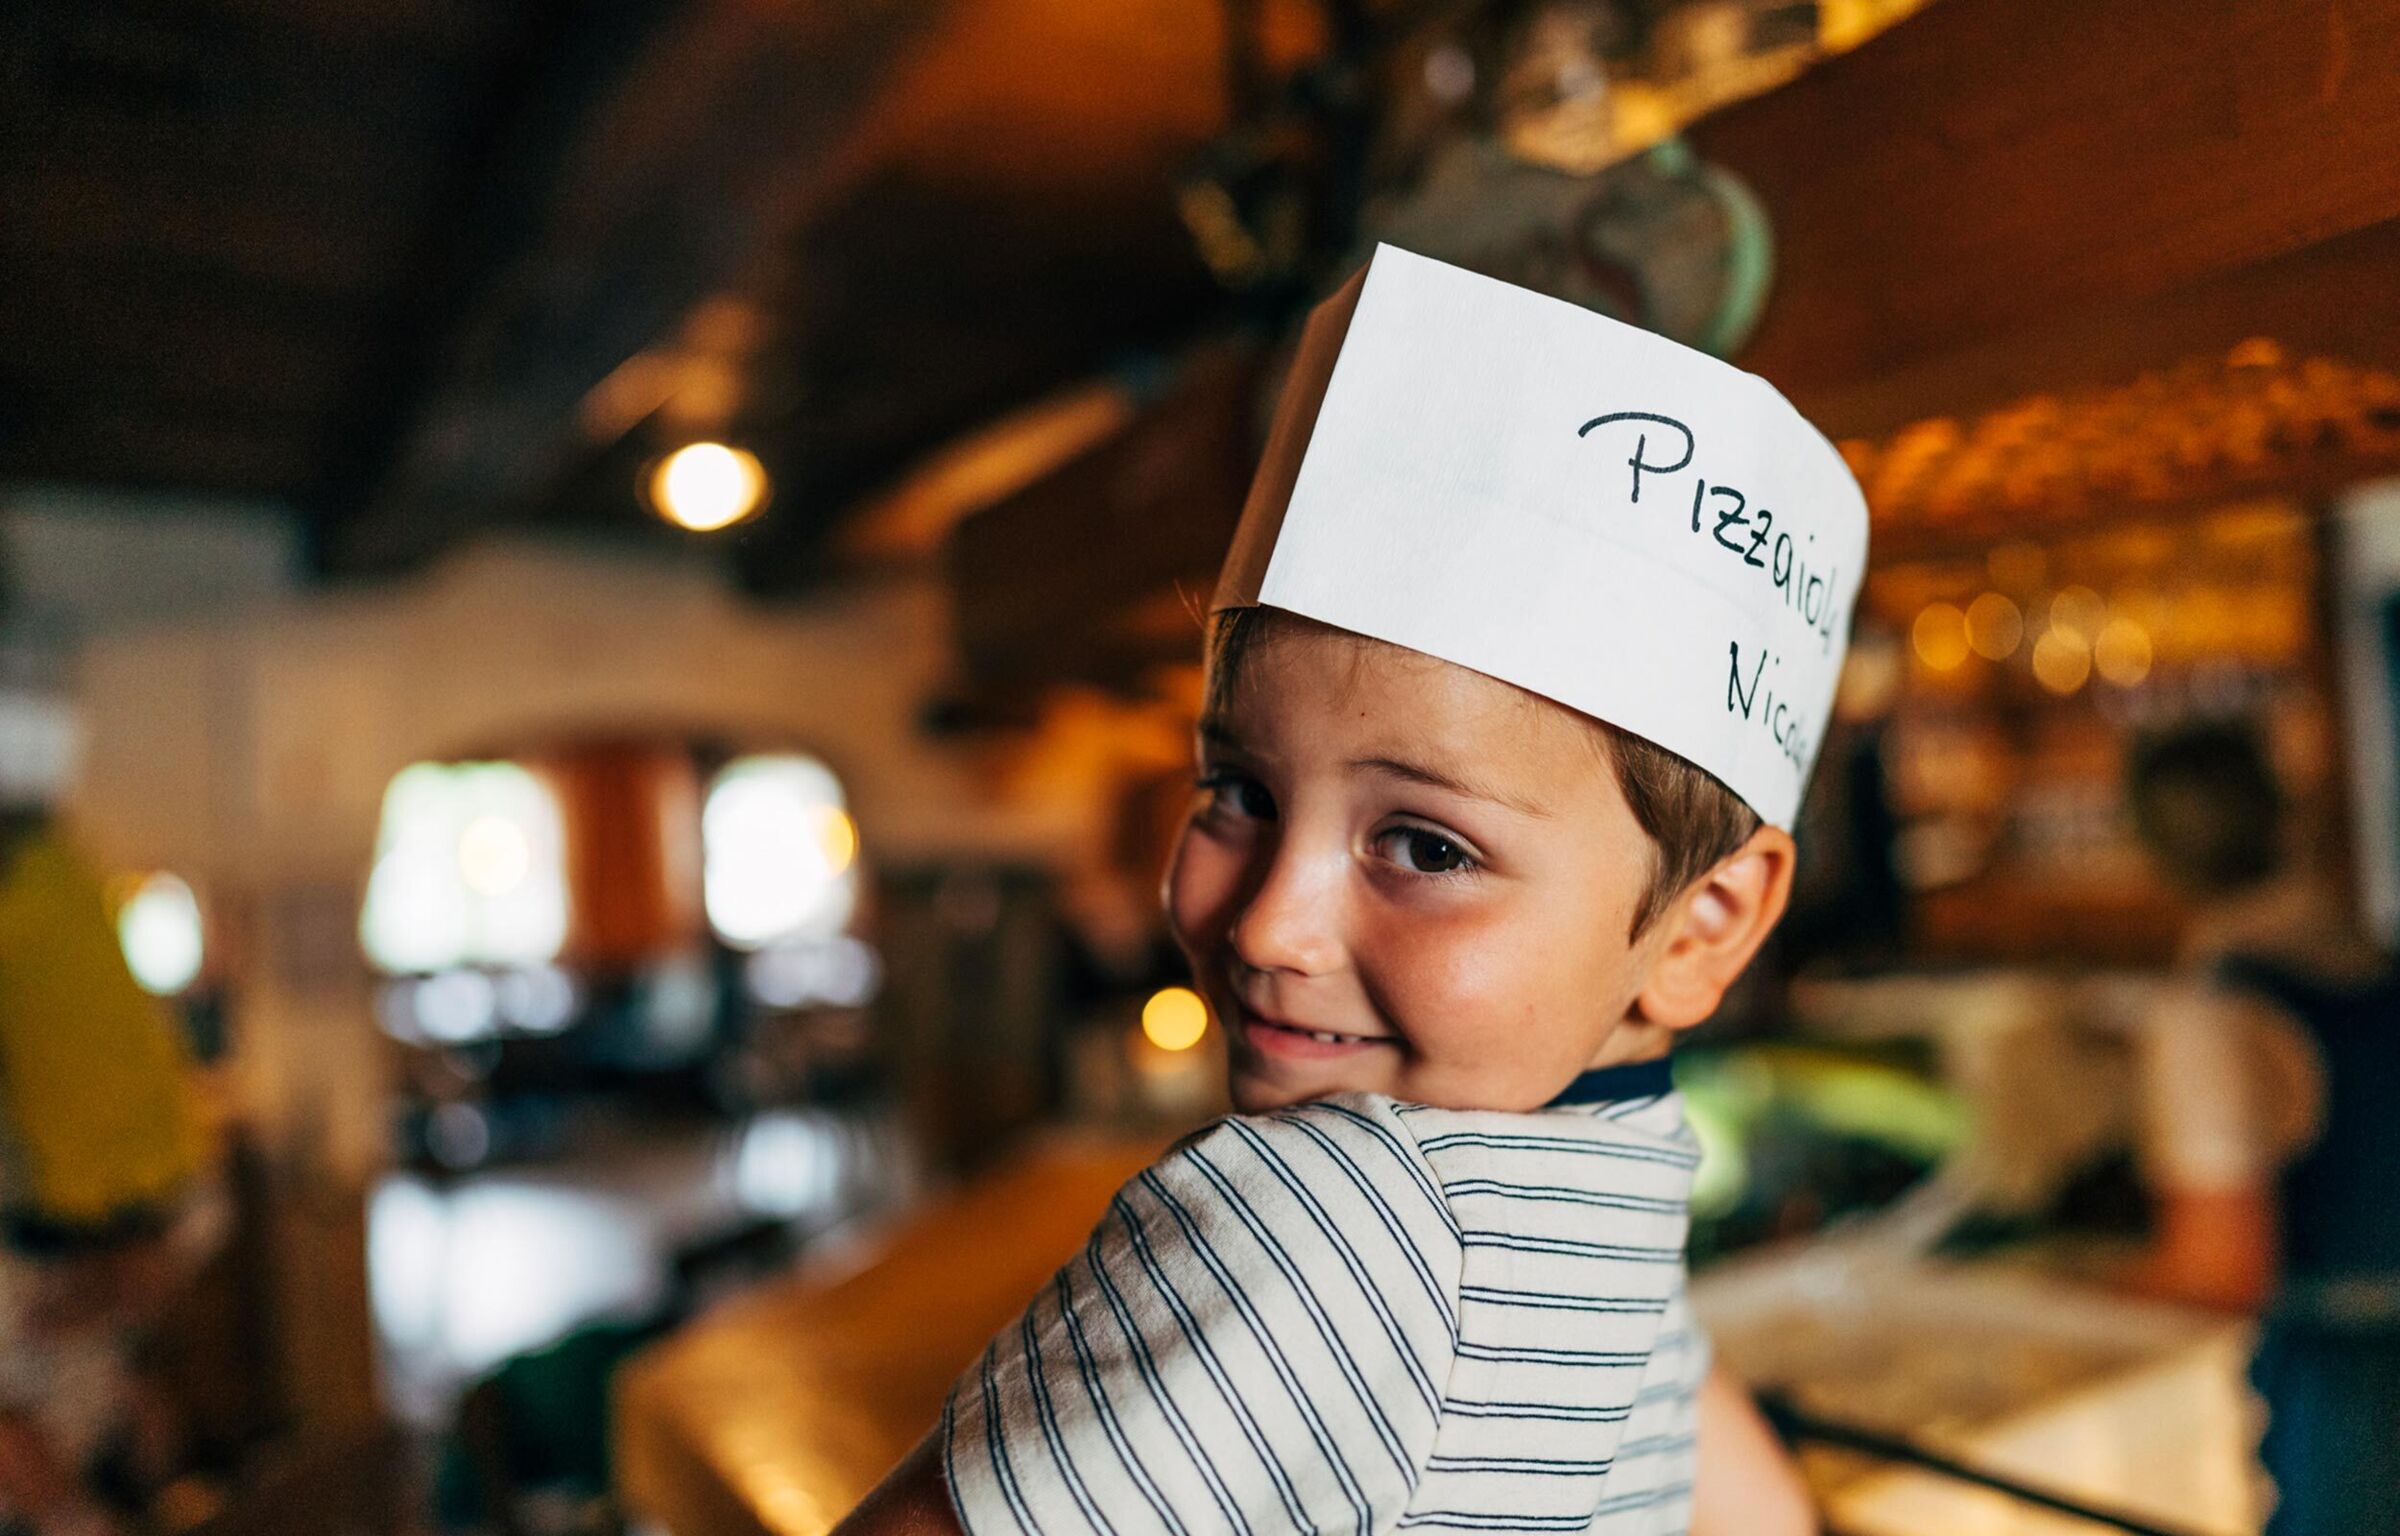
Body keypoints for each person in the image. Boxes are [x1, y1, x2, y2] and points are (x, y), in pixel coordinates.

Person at [836, 245, 1862, 1536]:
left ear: (1702, 926)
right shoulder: (1516, 1185)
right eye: (1240, 791)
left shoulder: (1373, 1210)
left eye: (1427, 847)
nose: (1268, 921)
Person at [2124, 721, 2400, 1536]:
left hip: (2344, 1402)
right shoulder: (2374, 958)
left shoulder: (2212, 1014)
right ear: (2289, 811)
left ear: (2148, 848)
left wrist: (2042, 1293)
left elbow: (2222, 1274)